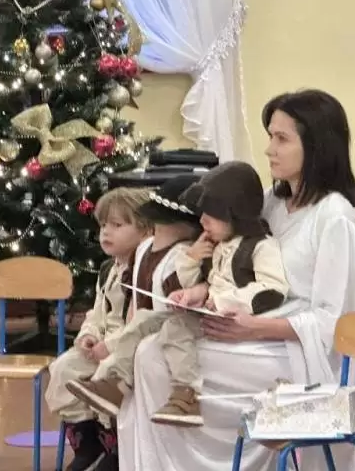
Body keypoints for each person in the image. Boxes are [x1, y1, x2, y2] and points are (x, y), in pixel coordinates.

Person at [115, 89, 355, 471]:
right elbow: (231, 265)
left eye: (281, 139)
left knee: (156, 358)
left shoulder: (334, 217)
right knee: (151, 351)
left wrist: (255, 328)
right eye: (270, 136)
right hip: (251, 331)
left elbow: (336, 322)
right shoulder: (270, 202)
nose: (269, 149)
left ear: (316, 146)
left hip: (297, 353)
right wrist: (203, 291)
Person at [66, 161, 289, 428]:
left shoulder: (261, 246)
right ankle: (116, 384)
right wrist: (192, 293)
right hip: (204, 312)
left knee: (175, 329)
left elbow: (272, 290)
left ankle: (187, 396)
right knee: (143, 320)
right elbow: (209, 283)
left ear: (235, 212)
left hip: (231, 320)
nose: (202, 221)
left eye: (210, 214)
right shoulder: (219, 245)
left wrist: (221, 301)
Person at [44, 187, 152, 471]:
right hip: (100, 345)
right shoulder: (108, 268)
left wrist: (111, 346)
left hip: (125, 348)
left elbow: (140, 320)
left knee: (105, 375)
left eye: (117, 225)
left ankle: (115, 448)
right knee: (63, 368)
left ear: (145, 230)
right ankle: (87, 446)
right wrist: (88, 335)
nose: (106, 232)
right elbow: (97, 312)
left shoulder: (143, 270)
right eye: (103, 225)